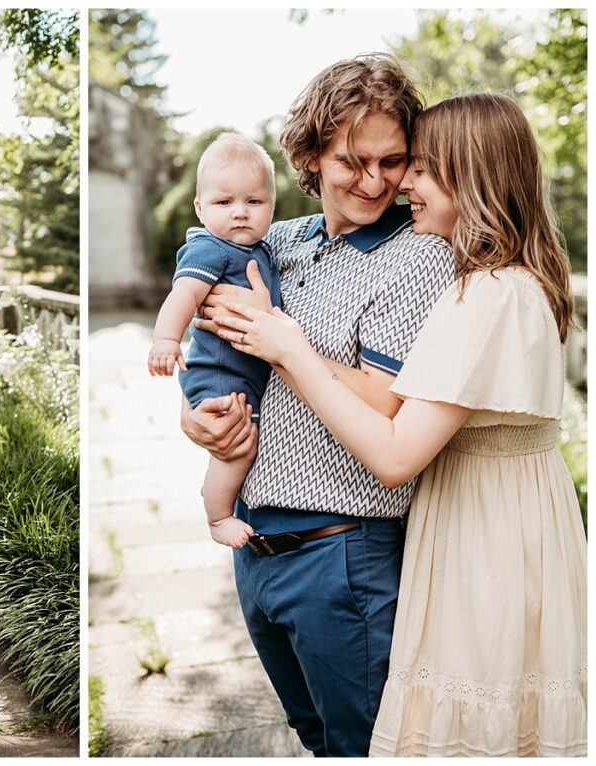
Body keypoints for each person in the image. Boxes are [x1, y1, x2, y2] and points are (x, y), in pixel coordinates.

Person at [215, 92, 586, 757]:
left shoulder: (486, 293)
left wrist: (289, 346)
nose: (400, 183)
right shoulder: (499, 283)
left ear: (472, 178)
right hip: (483, 523)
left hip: (482, 537)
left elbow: (393, 451)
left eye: (418, 166)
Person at [181, 54, 454, 757]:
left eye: (392, 160)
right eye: (351, 160)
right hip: (257, 548)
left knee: (362, 746)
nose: (373, 181)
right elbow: (217, 354)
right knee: (313, 738)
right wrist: (197, 422)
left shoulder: (418, 256)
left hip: (342, 553)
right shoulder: (275, 241)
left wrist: (285, 344)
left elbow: (389, 404)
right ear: (308, 155)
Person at [148, 133, 281, 549]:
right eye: (225, 203)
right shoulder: (210, 250)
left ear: (271, 205)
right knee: (238, 444)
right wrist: (167, 339)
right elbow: (183, 294)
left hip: (244, 373)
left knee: (244, 439)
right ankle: (218, 514)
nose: (240, 213)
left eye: (254, 202)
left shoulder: (264, 248)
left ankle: (221, 504)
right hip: (219, 375)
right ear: (200, 208)